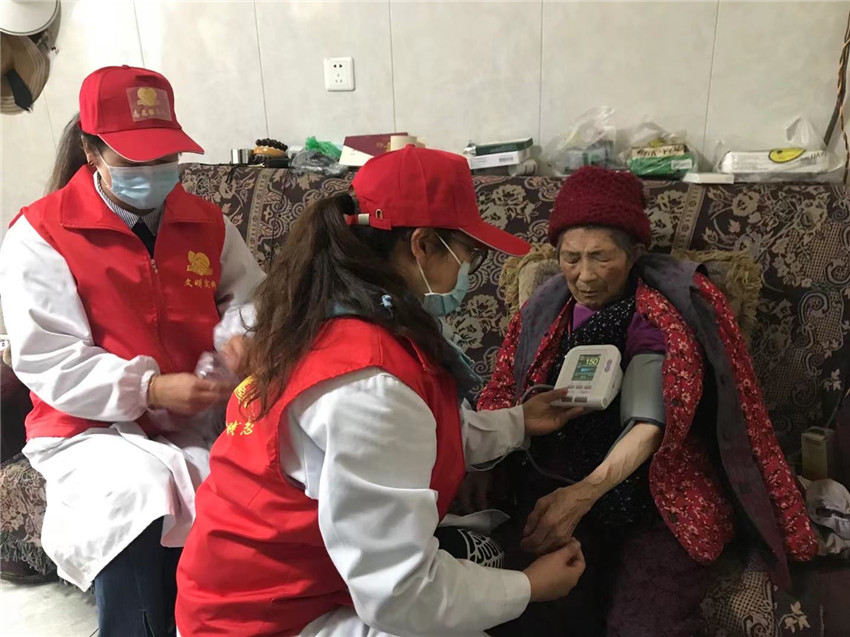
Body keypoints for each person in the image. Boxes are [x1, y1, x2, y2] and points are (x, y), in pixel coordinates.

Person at [176, 146, 588, 637]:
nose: (468, 271)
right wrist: (529, 588)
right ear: (423, 246)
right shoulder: (369, 385)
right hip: (262, 620)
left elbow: (413, 434)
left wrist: (517, 423)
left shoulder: (334, 315)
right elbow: (401, 594)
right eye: (468, 254)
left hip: (270, 583)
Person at [477, 166, 818, 637]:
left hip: (652, 488)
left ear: (634, 254)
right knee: (537, 612)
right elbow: (503, 394)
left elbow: (651, 422)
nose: (585, 276)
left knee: (644, 624)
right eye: (571, 258)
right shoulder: (546, 312)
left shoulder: (652, 315)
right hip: (558, 474)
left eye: (601, 257)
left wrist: (584, 494)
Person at [0, 65, 265, 637]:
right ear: (92, 152)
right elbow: (47, 357)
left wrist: (241, 338)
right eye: (134, 160)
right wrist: (148, 388)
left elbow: (248, 299)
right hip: (88, 425)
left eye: (164, 157)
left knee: (245, 477)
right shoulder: (41, 235)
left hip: (197, 414)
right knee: (137, 493)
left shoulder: (207, 222)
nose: (153, 172)